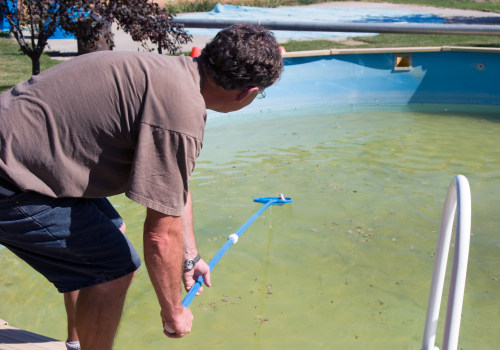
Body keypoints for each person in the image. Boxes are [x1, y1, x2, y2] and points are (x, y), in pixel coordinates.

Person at [0, 24, 283, 350]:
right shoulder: (181, 112)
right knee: (113, 267)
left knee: (111, 234)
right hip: (11, 174)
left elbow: (176, 190)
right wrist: (174, 310)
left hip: (27, 155)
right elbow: (160, 236)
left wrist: (189, 258)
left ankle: (76, 344)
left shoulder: (173, 74)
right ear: (246, 92)